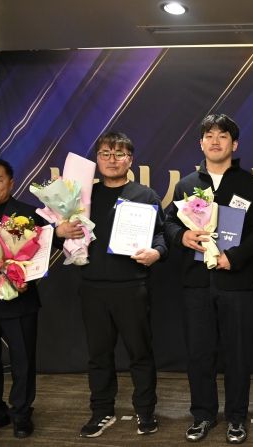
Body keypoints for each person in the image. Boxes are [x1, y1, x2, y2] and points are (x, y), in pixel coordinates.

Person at [163, 114, 253, 444]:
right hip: (196, 284)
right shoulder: (186, 185)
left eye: (223, 135)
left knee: (238, 354)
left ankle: (237, 417)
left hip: (237, 284)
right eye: (209, 135)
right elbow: (169, 223)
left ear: (234, 144)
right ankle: (203, 415)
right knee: (199, 354)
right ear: (200, 143)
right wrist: (182, 236)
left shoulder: (251, 185)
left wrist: (233, 257)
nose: (215, 141)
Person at [56, 132, 167, 438]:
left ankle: (145, 411)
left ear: (130, 160)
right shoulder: (82, 198)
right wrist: (60, 231)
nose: (112, 160)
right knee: (99, 355)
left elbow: (161, 236)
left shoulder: (146, 195)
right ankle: (102, 411)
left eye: (119, 154)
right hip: (92, 288)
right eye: (106, 154)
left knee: (140, 354)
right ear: (97, 159)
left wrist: (157, 252)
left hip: (132, 286)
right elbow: (60, 234)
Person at [0, 157, 45, 440]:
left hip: (19, 300)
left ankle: (21, 414)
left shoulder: (27, 215)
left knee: (23, 360)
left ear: (11, 182)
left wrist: (25, 278)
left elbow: (40, 256)